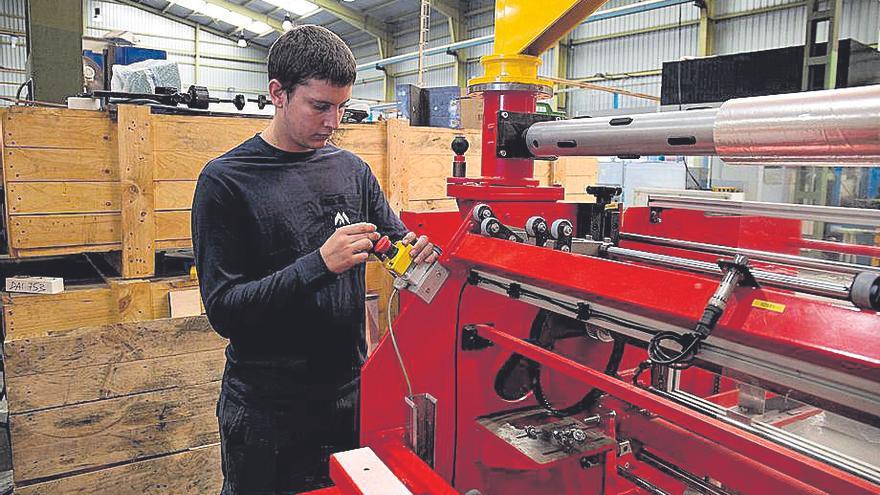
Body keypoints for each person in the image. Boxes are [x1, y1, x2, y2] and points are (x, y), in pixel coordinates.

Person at [191, 25, 437, 494]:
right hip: (267, 410)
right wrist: (319, 264)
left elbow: (396, 242)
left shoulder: (350, 170)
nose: (333, 121)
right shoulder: (227, 181)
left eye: (341, 107)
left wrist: (416, 249)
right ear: (277, 94)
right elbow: (224, 309)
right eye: (320, 106)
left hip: (349, 395)